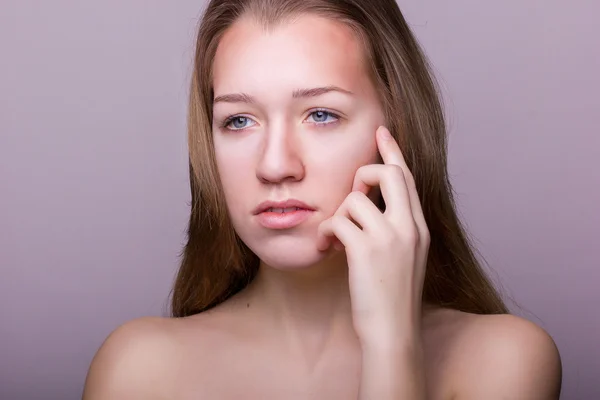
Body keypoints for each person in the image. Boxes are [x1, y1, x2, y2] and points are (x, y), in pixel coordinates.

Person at [83, 0, 562, 398]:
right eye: (239, 121)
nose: (274, 166)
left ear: (395, 128)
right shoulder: (138, 371)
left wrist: (391, 347)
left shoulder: (504, 361)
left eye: (321, 114)